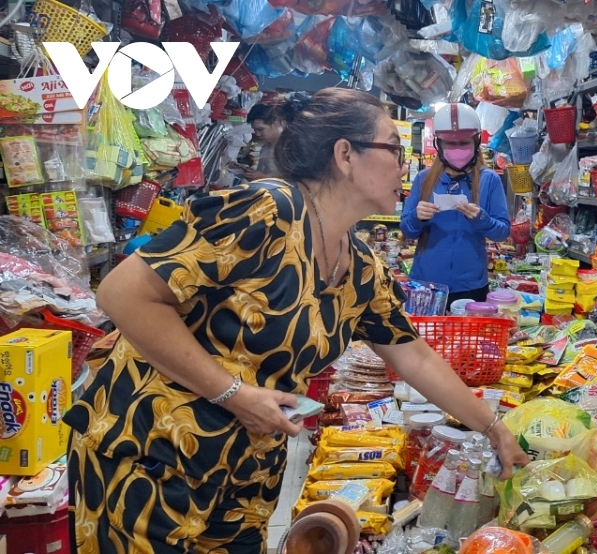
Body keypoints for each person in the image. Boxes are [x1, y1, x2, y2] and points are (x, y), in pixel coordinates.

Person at [66, 88, 529, 553]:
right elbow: (122, 294)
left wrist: (495, 430)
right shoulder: (268, 210)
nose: (404, 165)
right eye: (394, 148)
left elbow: (416, 357)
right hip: (152, 459)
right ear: (345, 155)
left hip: (243, 476)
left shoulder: (360, 267)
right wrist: (233, 393)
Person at [400, 103, 510, 305]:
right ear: (438, 145)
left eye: (464, 143)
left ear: (476, 142)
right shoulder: (424, 179)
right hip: (425, 284)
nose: (457, 149)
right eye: (450, 144)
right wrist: (417, 217)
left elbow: (502, 232)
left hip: (471, 286)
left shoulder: (489, 180)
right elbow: (407, 231)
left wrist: (481, 218)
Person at [240, 97, 295, 180]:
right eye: (255, 130)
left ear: (275, 123)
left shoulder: (289, 147)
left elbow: (296, 181)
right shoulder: (267, 145)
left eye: (260, 129)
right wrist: (249, 173)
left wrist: (263, 177)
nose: (257, 134)